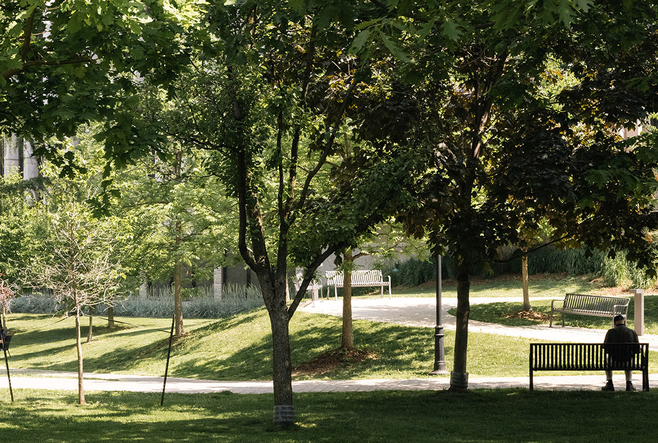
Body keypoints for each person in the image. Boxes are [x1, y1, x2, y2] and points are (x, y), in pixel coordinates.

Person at [602, 314, 639, 392]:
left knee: (606, 360)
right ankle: (629, 383)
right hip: (628, 362)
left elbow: (606, 348)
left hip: (614, 361)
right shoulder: (632, 332)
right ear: (624, 322)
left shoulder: (610, 332)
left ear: (615, 323)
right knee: (629, 359)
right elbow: (637, 349)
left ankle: (609, 383)